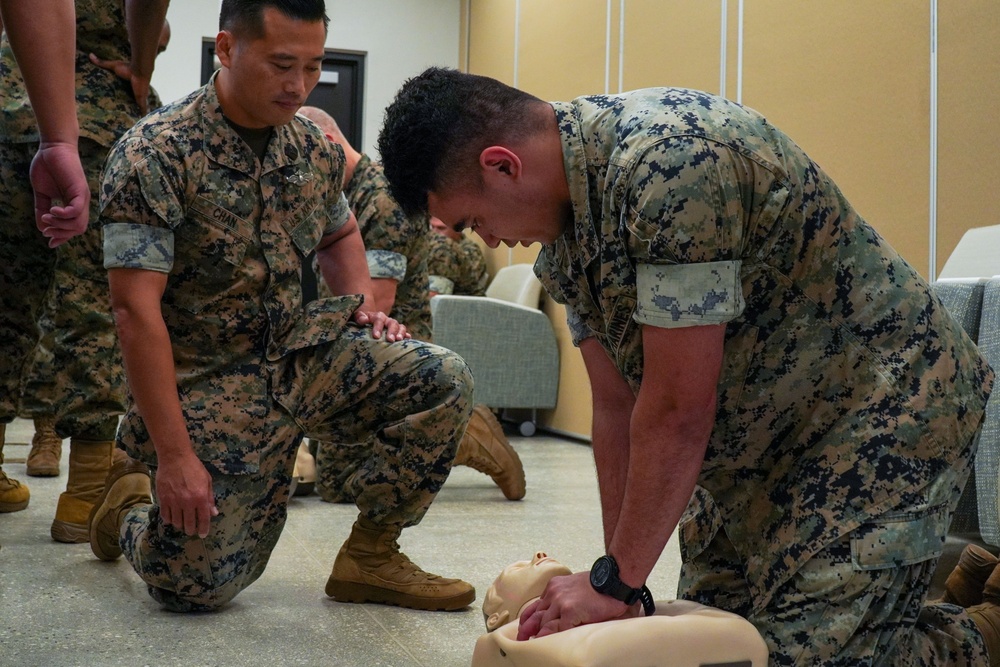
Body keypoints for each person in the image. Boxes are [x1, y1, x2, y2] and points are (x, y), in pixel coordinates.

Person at [377, 68, 998, 664]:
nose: (485, 240)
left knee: (788, 660)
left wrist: (614, 585)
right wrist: (617, 583)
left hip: (882, 412)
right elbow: (618, 409)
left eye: (472, 221)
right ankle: (939, 596)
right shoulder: (563, 241)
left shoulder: (671, 165)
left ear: (502, 165)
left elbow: (677, 409)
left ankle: (987, 627)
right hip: (755, 435)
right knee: (713, 647)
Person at [87, 0, 475, 614]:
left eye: (314, 66)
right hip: (205, 382)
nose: (298, 85)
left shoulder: (312, 151)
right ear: (226, 49)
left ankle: (370, 556)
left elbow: (340, 232)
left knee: (440, 377)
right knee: (195, 586)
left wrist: (358, 308)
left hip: (298, 357)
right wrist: (175, 457)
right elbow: (135, 312)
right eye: (282, 64)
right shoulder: (155, 153)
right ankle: (131, 508)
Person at [294, 105, 525, 503]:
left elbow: (376, 307)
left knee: (339, 487)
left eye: (296, 165)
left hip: (393, 354)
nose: (294, 181)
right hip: (361, 347)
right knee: (328, 477)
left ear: (327, 146)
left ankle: (465, 433)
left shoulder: (383, 199)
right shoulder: (344, 196)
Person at [0, 0, 169, 544]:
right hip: (94, 107)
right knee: (94, 300)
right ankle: (86, 492)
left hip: (10, 97)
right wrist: (142, 63)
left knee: (7, 300)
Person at [472, 552, 769, 667]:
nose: (538, 555)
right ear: (498, 618)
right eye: (519, 566)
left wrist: (614, 584)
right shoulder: (501, 644)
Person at [427, 215, 490, 298]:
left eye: (441, 228)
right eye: (432, 227)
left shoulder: (470, 251)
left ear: (458, 230)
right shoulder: (434, 247)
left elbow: (433, 299)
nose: (434, 233)